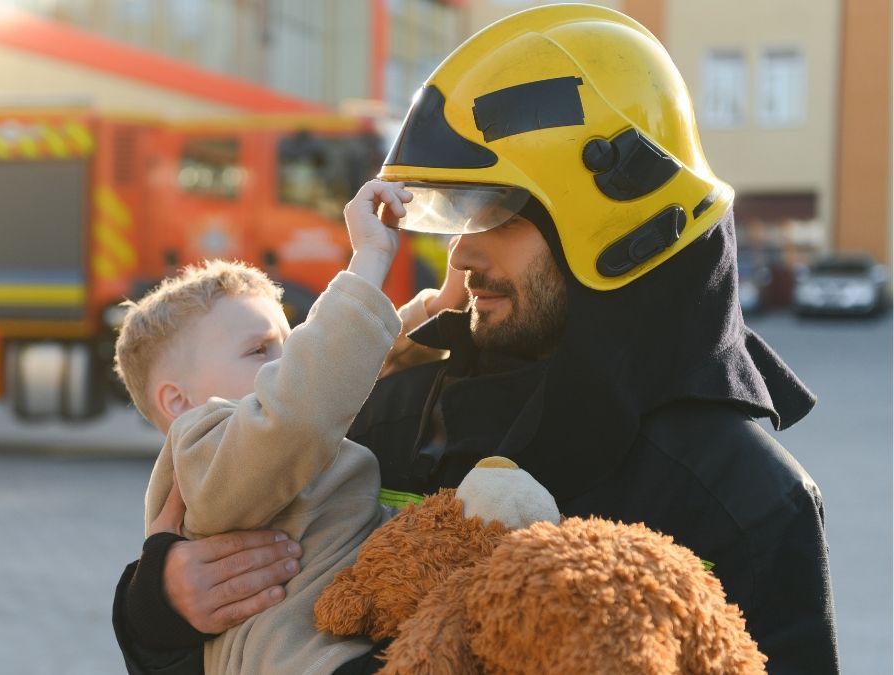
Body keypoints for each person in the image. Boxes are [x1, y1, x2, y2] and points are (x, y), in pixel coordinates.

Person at [112, 5, 840, 674]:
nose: (460, 255)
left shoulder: (745, 496)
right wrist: (160, 610)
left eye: (497, 215)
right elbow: (255, 634)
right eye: (458, 218)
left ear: (611, 222)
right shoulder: (398, 409)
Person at [114, 180, 465, 674]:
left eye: (291, 342)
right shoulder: (201, 450)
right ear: (178, 400)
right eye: (260, 350)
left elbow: (347, 378)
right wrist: (368, 261)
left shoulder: (271, 427)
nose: (285, 363)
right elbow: (306, 403)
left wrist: (435, 309)